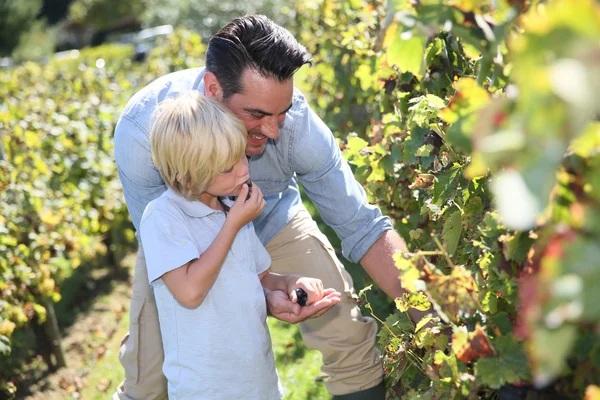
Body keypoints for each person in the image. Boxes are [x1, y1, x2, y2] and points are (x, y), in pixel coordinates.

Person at [113, 14, 419, 400]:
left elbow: (364, 227)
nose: (274, 131)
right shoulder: (144, 135)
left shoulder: (299, 130)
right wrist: (252, 293)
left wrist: (430, 315)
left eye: (282, 112)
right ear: (213, 89)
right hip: (186, 248)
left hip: (271, 215)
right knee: (147, 379)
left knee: (347, 329)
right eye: (256, 115)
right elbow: (181, 277)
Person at [140, 91, 338, 399]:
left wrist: (289, 283)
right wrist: (232, 225)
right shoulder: (163, 217)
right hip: (207, 389)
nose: (244, 171)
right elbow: (190, 292)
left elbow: (257, 277)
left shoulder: (232, 208)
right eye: (228, 168)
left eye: (241, 157)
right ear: (187, 178)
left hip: (256, 381)